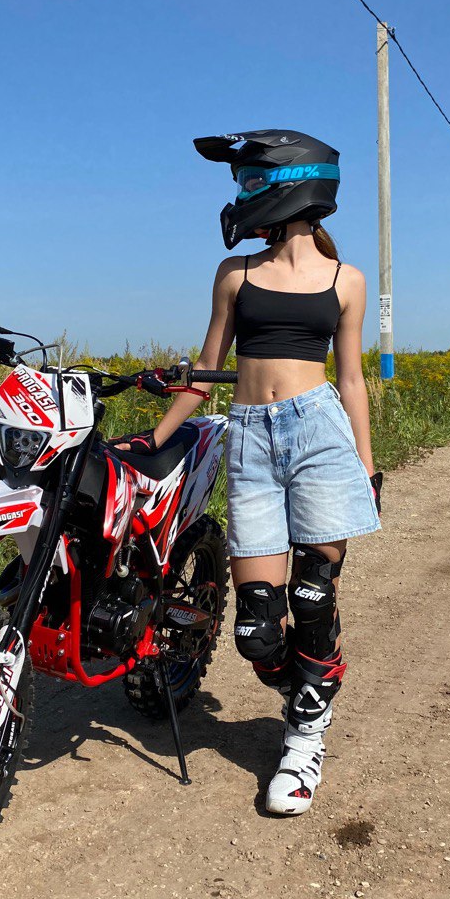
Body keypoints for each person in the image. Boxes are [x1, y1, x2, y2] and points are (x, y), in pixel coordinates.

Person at [112, 129, 382, 815]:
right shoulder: (235, 274)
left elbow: (351, 379)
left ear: (294, 186)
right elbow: (206, 371)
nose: (240, 195)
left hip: (320, 438)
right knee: (256, 629)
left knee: (313, 598)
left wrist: (367, 467)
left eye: (249, 181)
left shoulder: (346, 281)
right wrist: (153, 439)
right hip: (252, 441)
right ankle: (311, 686)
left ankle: (305, 735)